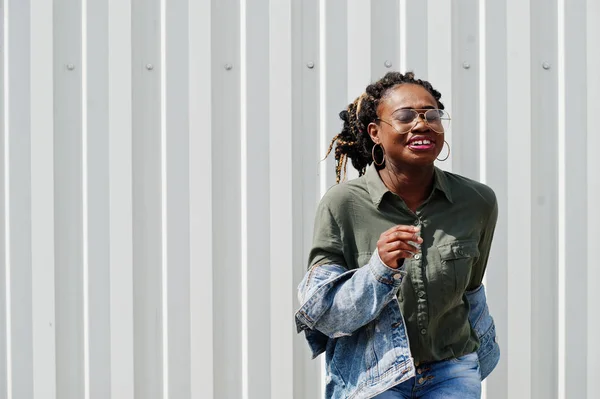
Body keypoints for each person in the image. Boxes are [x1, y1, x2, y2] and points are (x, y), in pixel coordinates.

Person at [295, 72, 499, 399]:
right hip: (371, 375)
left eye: (431, 115)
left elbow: (471, 290)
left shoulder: (477, 202)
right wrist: (379, 270)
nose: (422, 125)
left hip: (451, 371)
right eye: (405, 116)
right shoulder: (342, 205)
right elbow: (325, 314)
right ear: (375, 132)